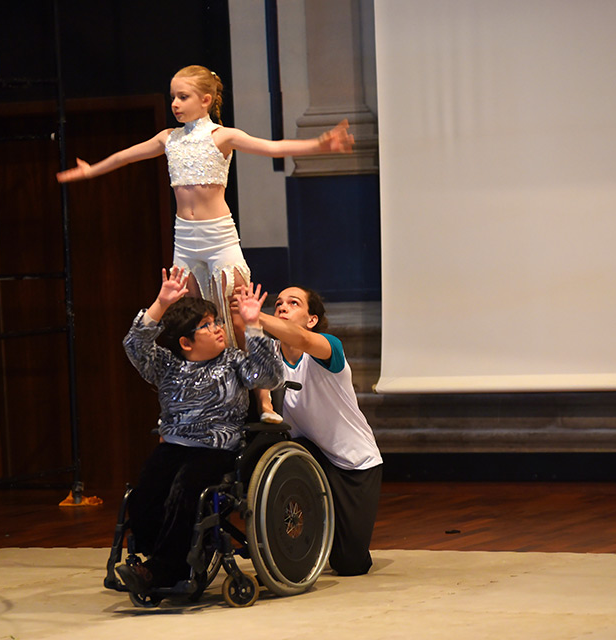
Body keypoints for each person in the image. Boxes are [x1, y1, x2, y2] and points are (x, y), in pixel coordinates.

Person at [57, 64, 352, 421]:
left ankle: (264, 401)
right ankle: (204, 396)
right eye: (173, 98)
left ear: (206, 100)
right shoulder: (169, 138)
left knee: (241, 317)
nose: (176, 104)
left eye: (183, 97)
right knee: (194, 320)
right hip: (186, 239)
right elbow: (126, 156)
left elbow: (272, 148)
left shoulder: (222, 137)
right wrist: (93, 170)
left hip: (218, 238)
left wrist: (319, 144)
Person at [118, 267, 282, 596]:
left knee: (185, 489)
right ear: (185, 342)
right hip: (174, 446)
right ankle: (155, 558)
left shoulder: (234, 361)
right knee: (144, 494)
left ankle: (162, 569)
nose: (218, 328)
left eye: (216, 321)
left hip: (217, 451)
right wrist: (161, 302)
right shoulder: (166, 365)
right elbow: (134, 345)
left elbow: (270, 376)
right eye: (207, 325)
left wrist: (253, 324)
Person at [247, 283, 383, 576]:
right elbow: (256, 371)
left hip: (353, 462)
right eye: (279, 303)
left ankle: (338, 539)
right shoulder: (268, 351)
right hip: (307, 451)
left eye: (293, 303)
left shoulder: (327, 346)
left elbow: (301, 339)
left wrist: (255, 316)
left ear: (312, 320)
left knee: (350, 564)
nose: (282, 306)